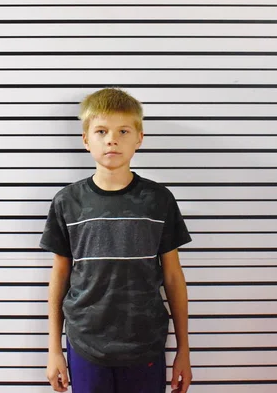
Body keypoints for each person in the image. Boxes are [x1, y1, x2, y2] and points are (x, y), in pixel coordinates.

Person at [40, 88, 193, 393]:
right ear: (86, 139)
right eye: (101, 131)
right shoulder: (67, 202)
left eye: (123, 130)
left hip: (145, 343)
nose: (112, 139)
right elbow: (60, 275)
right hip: (86, 344)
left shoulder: (158, 200)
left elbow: (173, 276)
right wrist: (54, 349)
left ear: (139, 138)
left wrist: (184, 350)